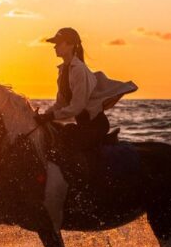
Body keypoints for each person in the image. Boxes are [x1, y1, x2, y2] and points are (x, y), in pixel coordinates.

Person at [37, 27, 137, 187]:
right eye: (54, 43)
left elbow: (77, 107)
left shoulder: (79, 71)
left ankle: (82, 187)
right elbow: (60, 104)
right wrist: (43, 116)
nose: (54, 46)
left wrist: (51, 117)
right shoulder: (63, 71)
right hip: (84, 125)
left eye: (58, 43)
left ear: (70, 45)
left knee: (68, 144)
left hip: (95, 126)